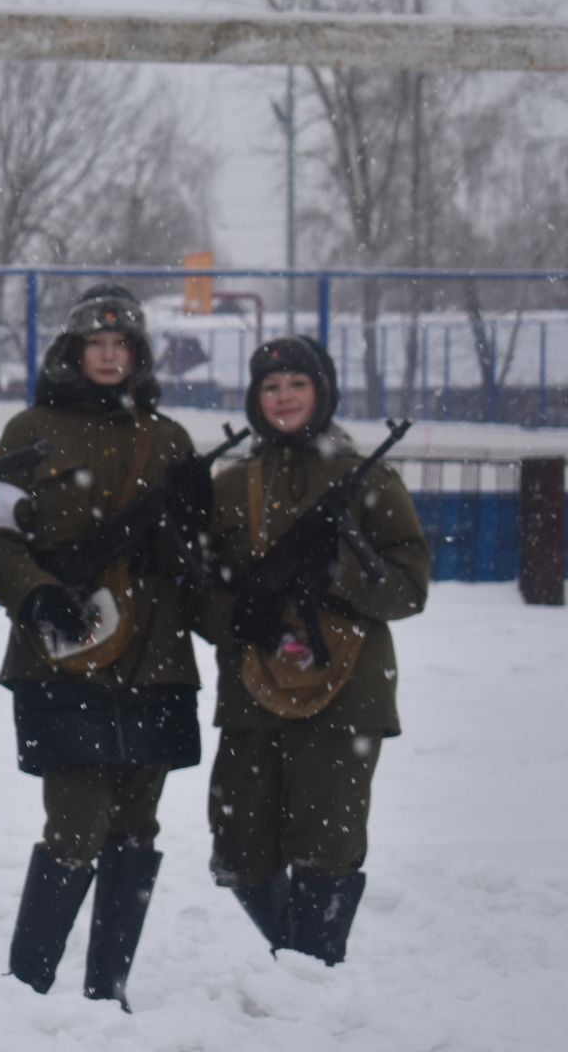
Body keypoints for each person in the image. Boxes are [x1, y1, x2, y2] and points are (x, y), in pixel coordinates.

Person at [0, 283, 212, 1009]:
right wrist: (34, 592)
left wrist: (186, 534)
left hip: (156, 653)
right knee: (76, 821)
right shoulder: (31, 429)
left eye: (123, 346)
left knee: (136, 827)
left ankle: (106, 992)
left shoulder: (169, 437)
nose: (110, 356)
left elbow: (197, 551)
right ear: (74, 351)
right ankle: (27, 987)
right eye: (97, 344)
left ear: (138, 356)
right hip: (62, 650)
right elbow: (1, 536)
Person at [202, 336, 428, 966]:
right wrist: (239, 615)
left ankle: (312, 981)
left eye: (297, 385)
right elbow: (199, 586)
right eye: (271, 388)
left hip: (347, 691)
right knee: (240, 848)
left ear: (321, 392)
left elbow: (409, 589)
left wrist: (340, 574)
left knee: (326, 843)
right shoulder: (231, 486)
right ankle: (295, 963)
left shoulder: (368, 478)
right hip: (252, 686)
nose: (283, 398)